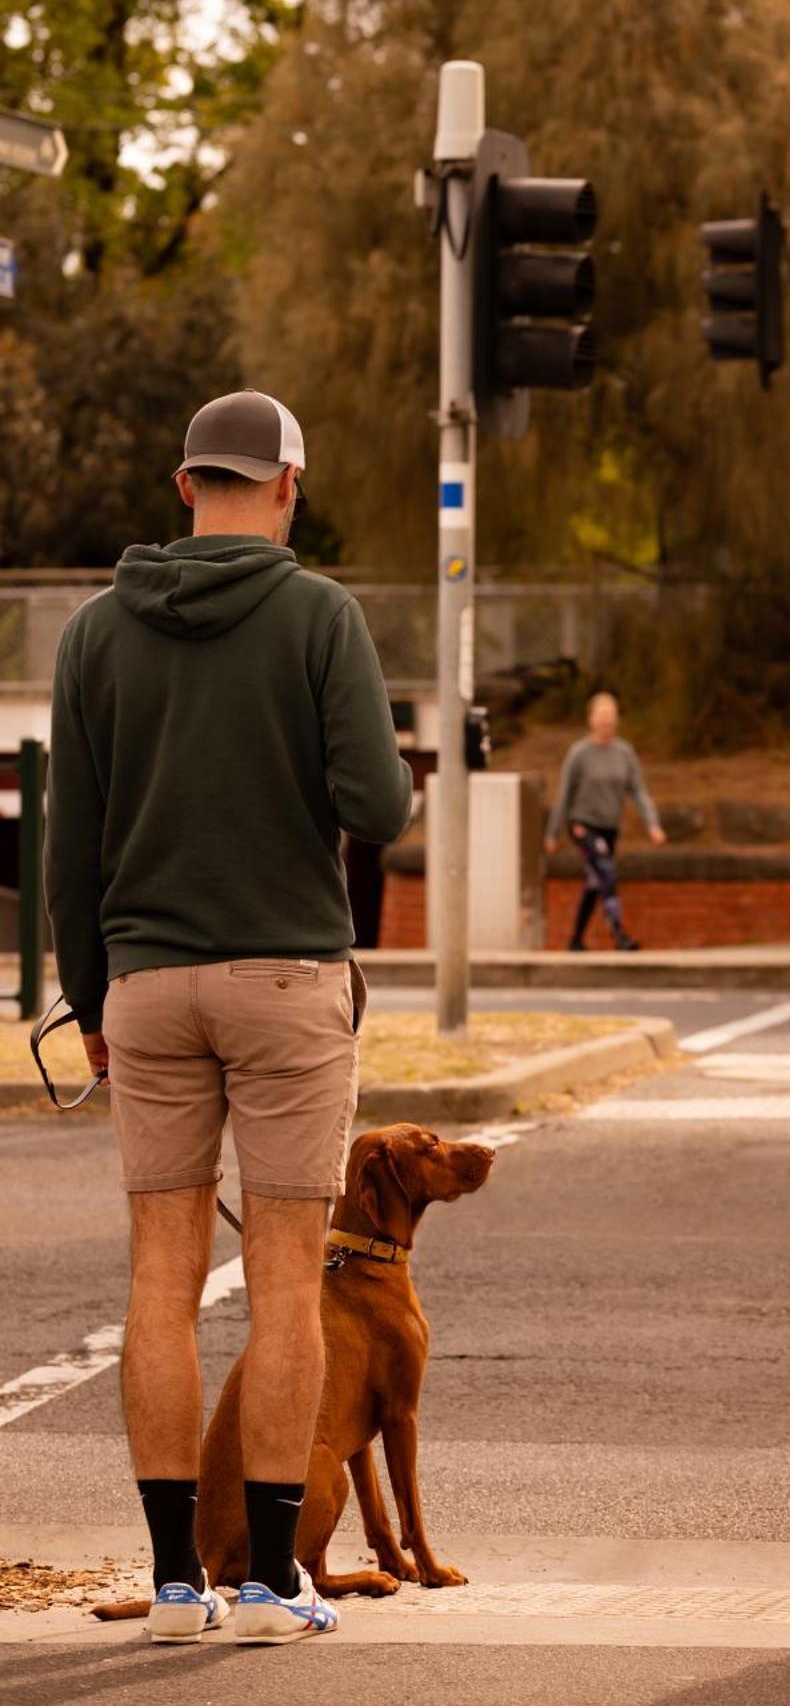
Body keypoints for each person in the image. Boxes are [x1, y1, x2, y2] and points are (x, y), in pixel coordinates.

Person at [44, 389, 413, 1647]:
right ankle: (264, 1581)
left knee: (158, 1276)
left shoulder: (95, 633)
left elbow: (70, 839)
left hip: (144, 986)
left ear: (181, 481)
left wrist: (90, 993)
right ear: (289, 486)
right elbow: (377, 797)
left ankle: (167, 1582)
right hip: (284, 983)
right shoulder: (319, 616)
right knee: (280, 1281)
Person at [544, 692, 666, 950]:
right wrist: (553, 833)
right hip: (582, 825)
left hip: (609, 827)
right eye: (601, 716)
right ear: (591, 720)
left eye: (610, 717)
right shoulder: (579, 754)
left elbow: (638, 791)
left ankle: (576, 939)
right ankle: (619, 934)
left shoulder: (624, 753)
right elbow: (564, 793)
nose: (606, 722)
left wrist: (652, 824)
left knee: (595, 881)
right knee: (606, 871)